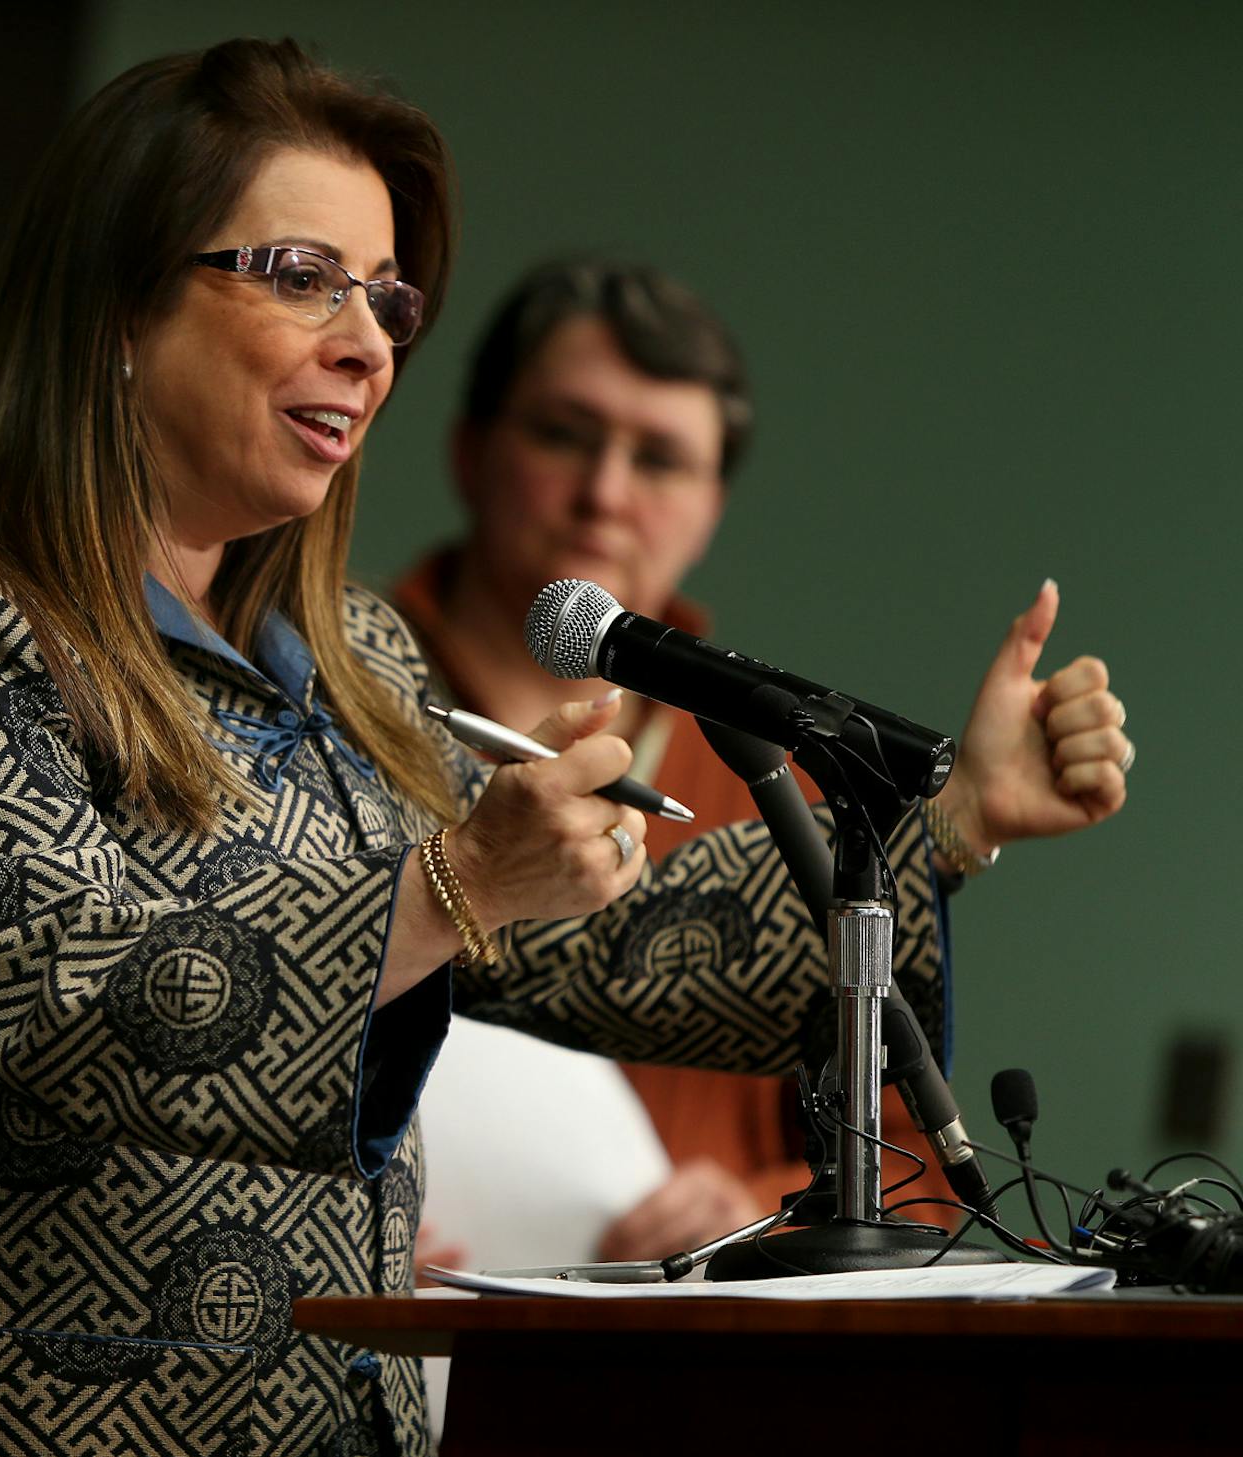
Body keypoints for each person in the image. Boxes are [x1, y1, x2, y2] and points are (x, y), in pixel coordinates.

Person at [0, 43, 1128, 1457]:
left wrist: (956, 818)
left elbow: (601, 937)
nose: (368, 344)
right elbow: (46, 992)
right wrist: (449, 885)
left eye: (387, 297)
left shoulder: (353, 656)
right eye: (302, 275)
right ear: (116, 299)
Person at [398, 259, 1133, 1276]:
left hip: (693, 1336)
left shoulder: (770, 768)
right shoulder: (340, 699)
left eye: (660, 459)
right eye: (564, 434)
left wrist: (758, 1209)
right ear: (470, 450)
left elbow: (913, 1173)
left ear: (711, 508)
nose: (605, 493)